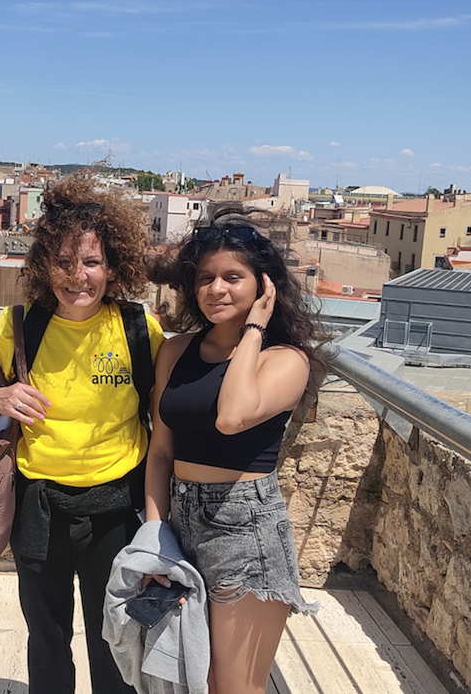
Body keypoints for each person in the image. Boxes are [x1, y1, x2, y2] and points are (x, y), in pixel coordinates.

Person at [0, 173, 165, 694]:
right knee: (47, 637)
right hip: (39, 506)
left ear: (113, 266)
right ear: (42, 265)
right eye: (62, 262)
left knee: (115, 639)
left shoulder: (138, 330)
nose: (78, 276)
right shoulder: (17, 327)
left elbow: (164, 418)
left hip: (117, 508)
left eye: (92, 262)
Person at [144, 202, 328, 694]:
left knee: (235, 686)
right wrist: (154, 537)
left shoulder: (285, 360)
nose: (216, 289)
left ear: (264, 286)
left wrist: (253, 330)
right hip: (179, 522)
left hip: (245, 529)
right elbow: (160, 452)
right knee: (188, 675)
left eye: (232, 277)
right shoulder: (175, 351)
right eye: (205, 278)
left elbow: (232, 416)